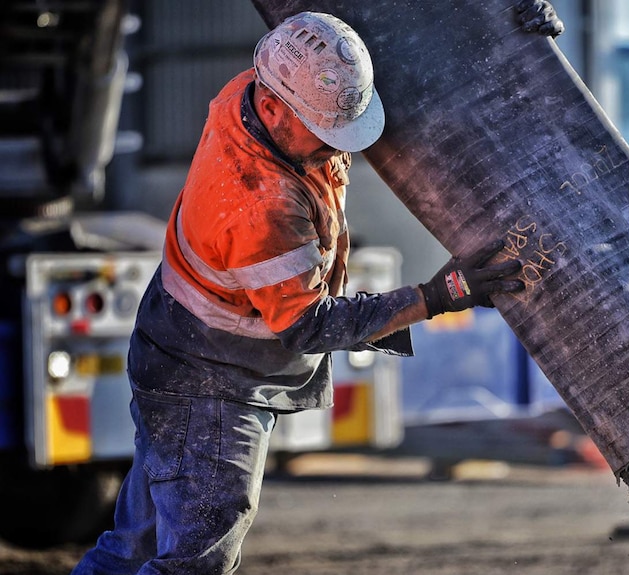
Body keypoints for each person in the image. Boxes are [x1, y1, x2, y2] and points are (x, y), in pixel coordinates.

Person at [72, 5, 563, 574]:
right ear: (276, 108)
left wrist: (500, 22)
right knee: (194, 561)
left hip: (177, 349)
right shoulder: (262, 204)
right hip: (205, 380)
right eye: (327, 132)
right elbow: (308, 325)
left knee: (136, 547)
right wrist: (439, 294)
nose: (340, 146)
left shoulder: (257, 94)